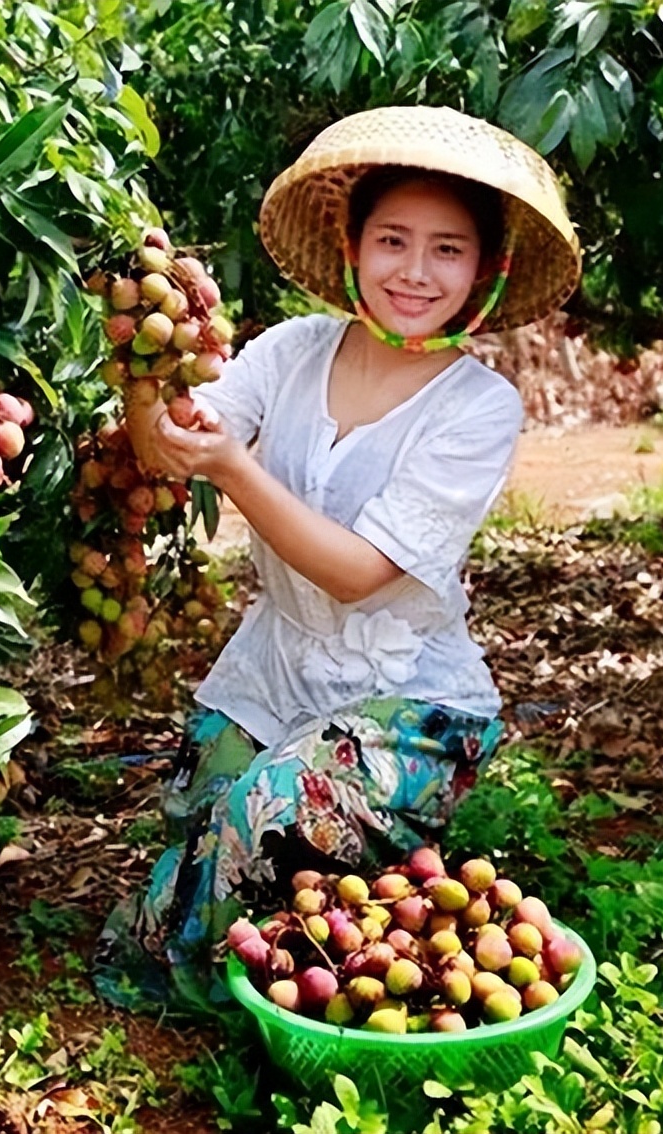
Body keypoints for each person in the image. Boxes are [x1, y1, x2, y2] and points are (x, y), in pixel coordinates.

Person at [93, 106, 581, 1016]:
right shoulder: (292, 351)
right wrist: (142, 366)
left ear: (485, 268)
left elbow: (357, 572)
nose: (416, 270)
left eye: (447, 249)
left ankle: (282, 960)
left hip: (410, 697)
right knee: (193, 823)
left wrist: (232, 467)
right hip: (278, 666)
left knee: (255, 825)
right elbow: (170, 449)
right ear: (353, 246)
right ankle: (325, 895)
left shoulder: (479, 407)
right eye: (393, 239)